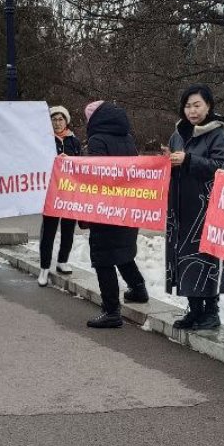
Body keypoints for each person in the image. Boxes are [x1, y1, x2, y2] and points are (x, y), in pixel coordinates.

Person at [164, 84, 224, 329]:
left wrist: (188, 159)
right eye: (188, 105)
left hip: (206, 206)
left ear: (209, 106)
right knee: (184, 256)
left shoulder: (217, 133)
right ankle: (194, 309)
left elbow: (221, 166)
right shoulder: (178, 133)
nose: (191, 111)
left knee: (206, 256)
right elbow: (174, 159)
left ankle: (211, 312)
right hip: (181, 205)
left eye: (197, 105)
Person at [80, 101, 149, 328]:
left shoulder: (97, 140)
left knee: (103, 258)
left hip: (106, 208)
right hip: (127, 206)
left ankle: (111, 311)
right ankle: (138, 289)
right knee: (122, 251)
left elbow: (97, 174)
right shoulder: (127, 138)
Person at [38, 105, 80, 286]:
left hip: (70, 192)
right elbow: (39, 163)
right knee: (48, 231)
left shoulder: (74, 141)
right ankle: (44, 267)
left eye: (60, 119)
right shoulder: (44, 141)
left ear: (66, 121)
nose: (57, 123)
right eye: (54, 119)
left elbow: (82, 164)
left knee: (68, 230)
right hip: (51, 192)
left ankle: (62, 260)